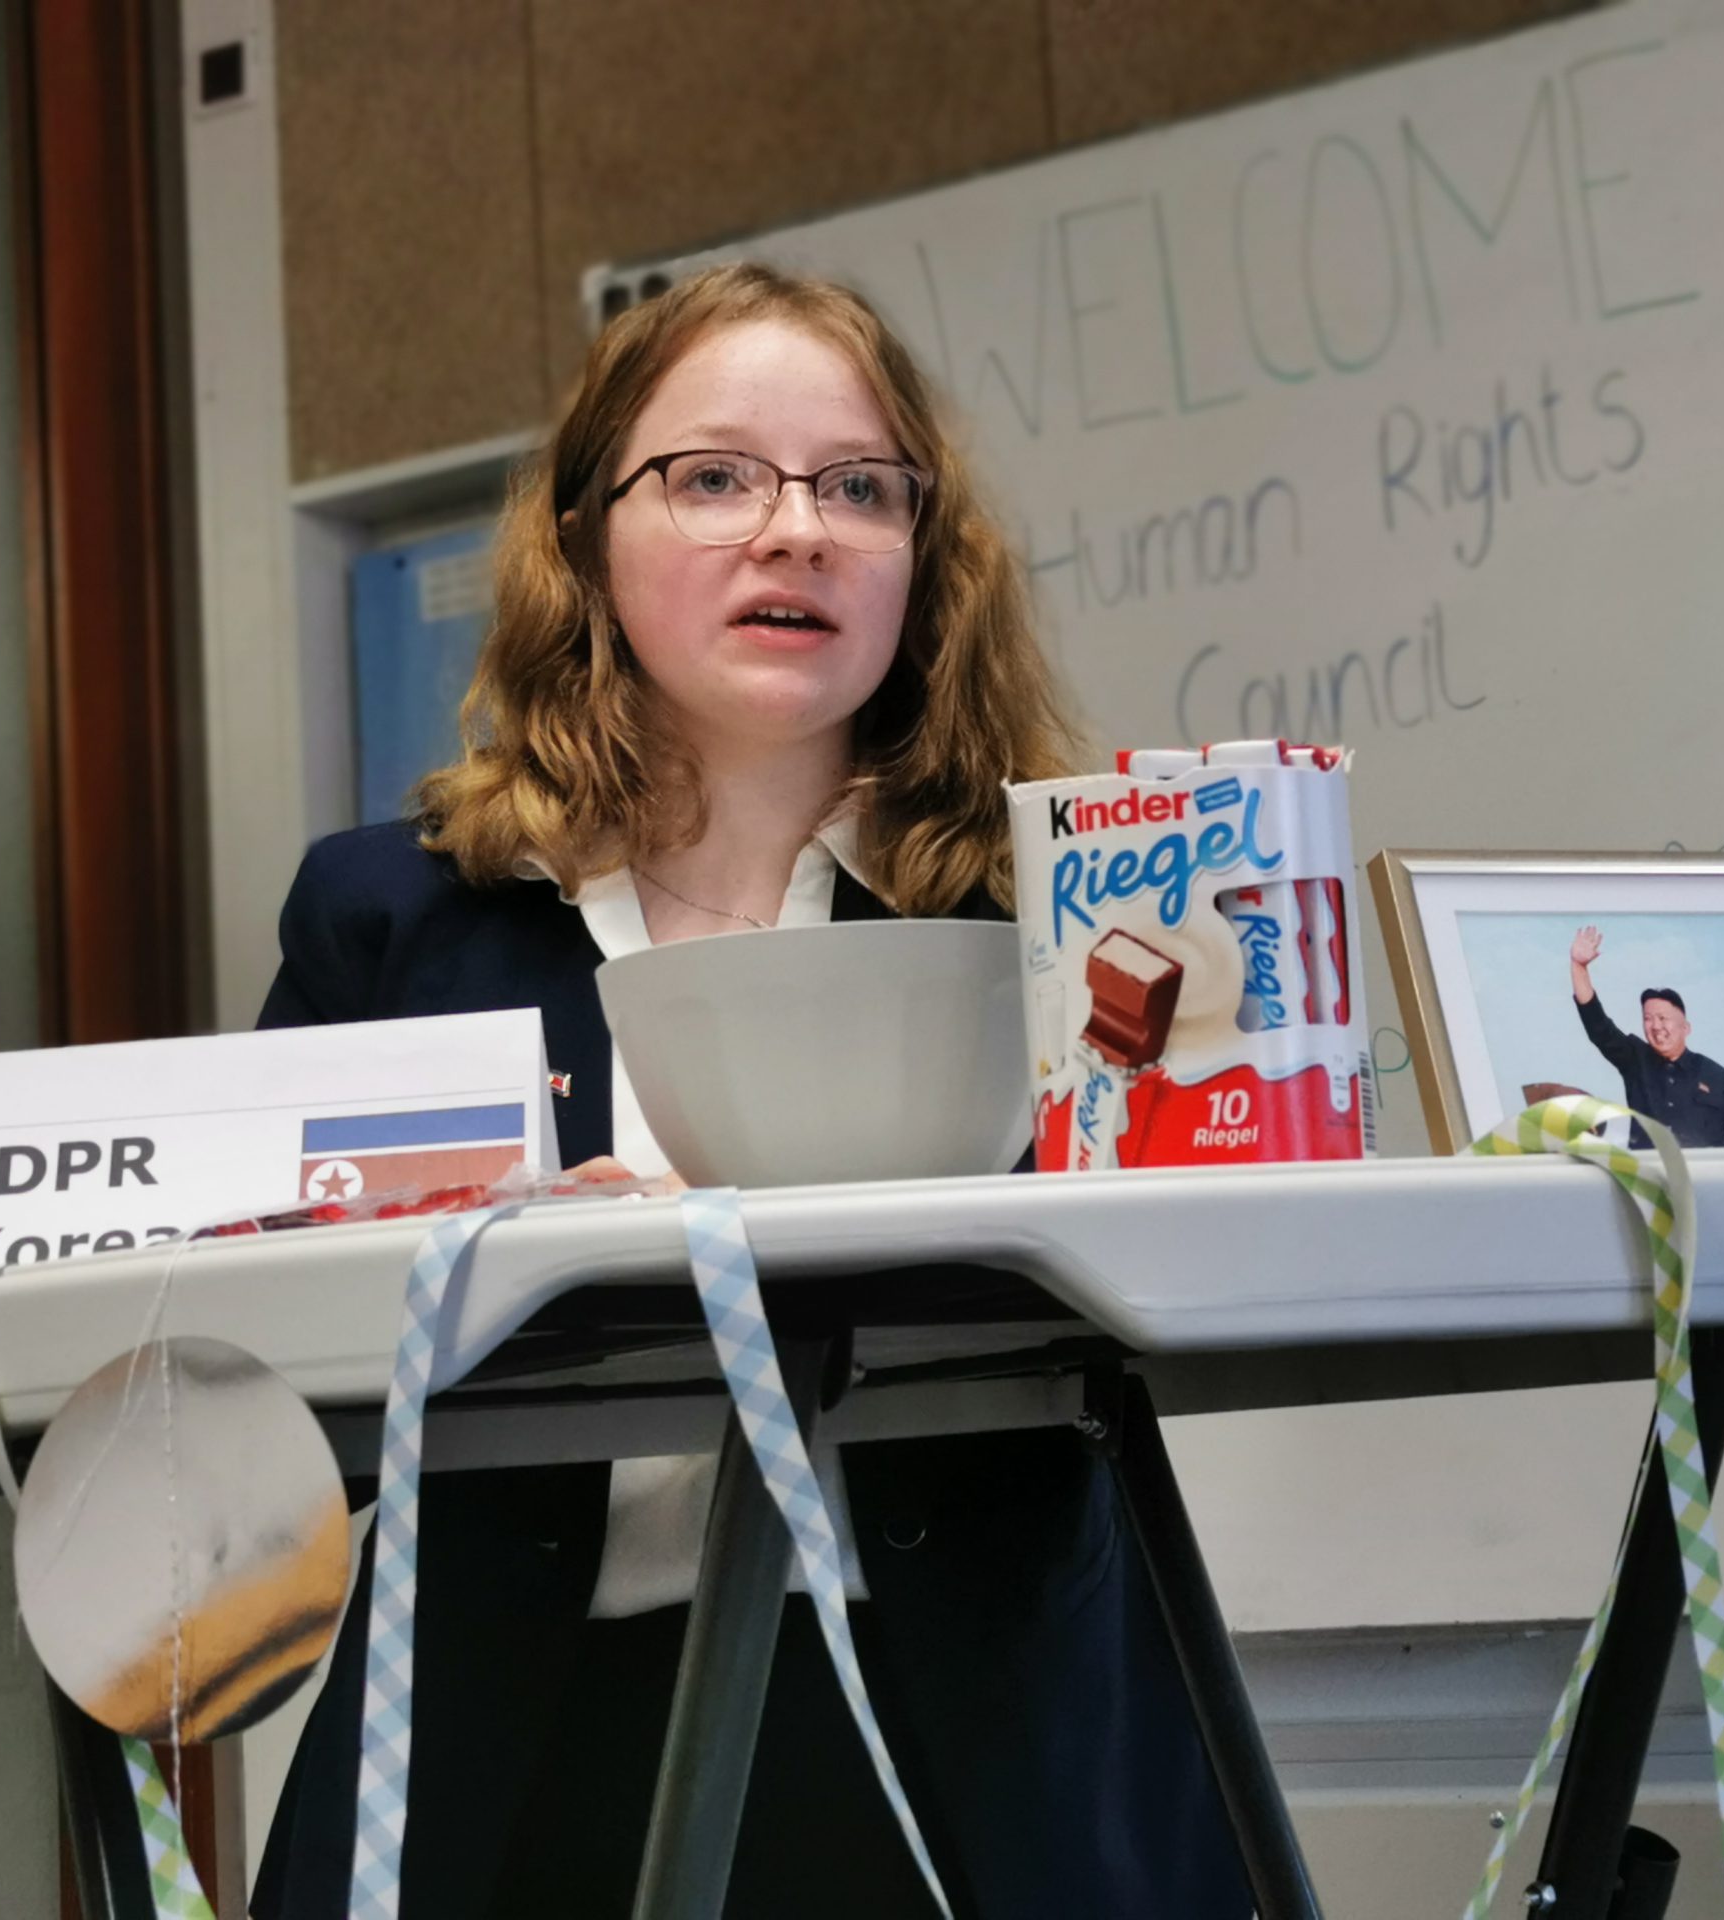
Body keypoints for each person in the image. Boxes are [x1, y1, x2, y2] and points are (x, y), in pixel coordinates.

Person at [249, 264, 1248, 1917]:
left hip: (977, 1757)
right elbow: (275, 1420)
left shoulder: (1065, 905)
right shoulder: (392, 918)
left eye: (860, 488)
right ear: (584, 537)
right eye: (714, 477)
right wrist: (490, 1267)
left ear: (924, 559)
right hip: (514, 1766)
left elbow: (1176, 1311)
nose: (796, 532)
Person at [1567, 925, 1724, 1148]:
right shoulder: (1635, 1059)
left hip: (1702, 1170)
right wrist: (1579, 966)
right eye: (1648, 1018)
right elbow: (1598, 1026)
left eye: (1663, 1018)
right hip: (1651, 1169)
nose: (1655, 1026)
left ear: (1686, 1028)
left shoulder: (1715, 1075)